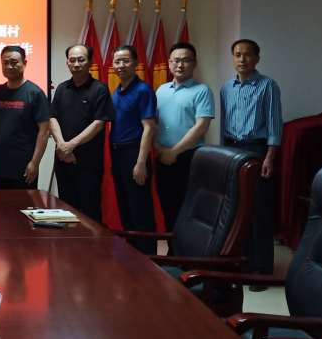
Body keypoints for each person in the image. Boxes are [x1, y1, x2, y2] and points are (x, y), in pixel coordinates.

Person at [220, 39, 282, 290]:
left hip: (257, 150)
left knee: (258, 211)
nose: (242, 59)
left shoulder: (268, 86)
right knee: (237, 209)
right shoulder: (226, 88)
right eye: (237, 55)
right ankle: (243, 262)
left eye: (247, 55)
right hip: (232, 149)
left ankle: (262, 270)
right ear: (232, 58)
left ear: (257, 58)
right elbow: (224, 124)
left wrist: (270, 157)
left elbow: (275, 125)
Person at [154, 42, 214, 243]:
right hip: (162, 158)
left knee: (188, 212)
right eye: (176, 60)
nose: (180, 65)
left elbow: (201, 127)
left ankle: (187, 253)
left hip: (189, 159)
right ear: (169, 63)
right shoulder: (161, 90)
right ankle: (173, 252)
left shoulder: (202, 91)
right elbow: (153, 124)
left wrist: (175, 152)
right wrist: (158, 148)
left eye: (186, 60)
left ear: (194, 64)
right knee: (169, 211)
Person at [49, 44, 115, 222]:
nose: (76, 64)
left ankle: (94, 242)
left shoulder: (100, 89)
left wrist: (71, 146)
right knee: (66, 212)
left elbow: (99, 123)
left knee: (90, 213)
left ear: (91, 62)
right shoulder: (62, 89)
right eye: (72, 60)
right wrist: (62, 146)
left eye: (81, 59)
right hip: (63, 161)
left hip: (88, 163)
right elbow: (52, 118)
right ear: (67, 63)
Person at [109, 45, 158, 255]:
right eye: (117, 61)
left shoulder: (143, 90)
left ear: (136, 63)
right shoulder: (117, 91)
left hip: (134, 154)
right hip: (118, 153)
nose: (121, 65)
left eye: (126, 60)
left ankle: (149, 258)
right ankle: (133, 256)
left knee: (141, 211)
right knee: (126, 210)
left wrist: (140, 163)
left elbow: (149, 128)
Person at [0, 45, 50, 190]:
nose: (9, 66)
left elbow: (44, 131)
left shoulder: (35, 93)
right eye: (5, 63)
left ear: (24, 63)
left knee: (23, 205)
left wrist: (35, 163)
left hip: (23, 167)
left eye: (14, 62)